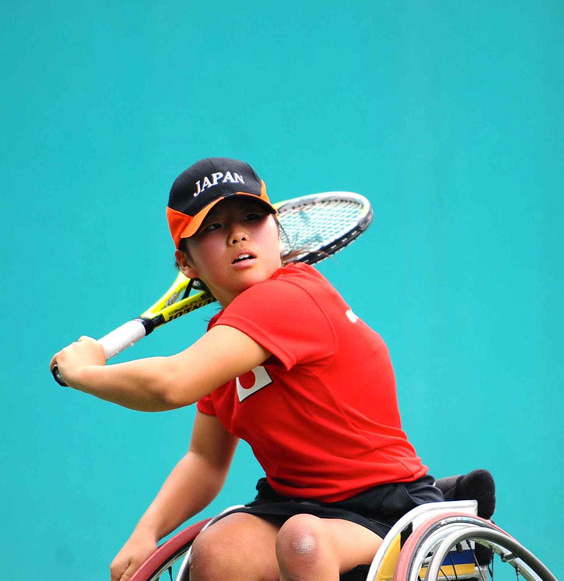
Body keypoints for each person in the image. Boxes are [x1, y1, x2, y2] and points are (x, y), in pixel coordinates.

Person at [51, 157, 443, 581]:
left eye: (252, 218)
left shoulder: (289, 295)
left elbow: (171, 385)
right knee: (220, 550)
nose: (237, 234)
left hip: (387, 510)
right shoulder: (225, 342)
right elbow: (205, 460)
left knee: (302, 540)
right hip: (293, 505)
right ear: (186, 263)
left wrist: (83, 373)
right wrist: (146, 533)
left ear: (277, 230)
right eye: (213, 226)